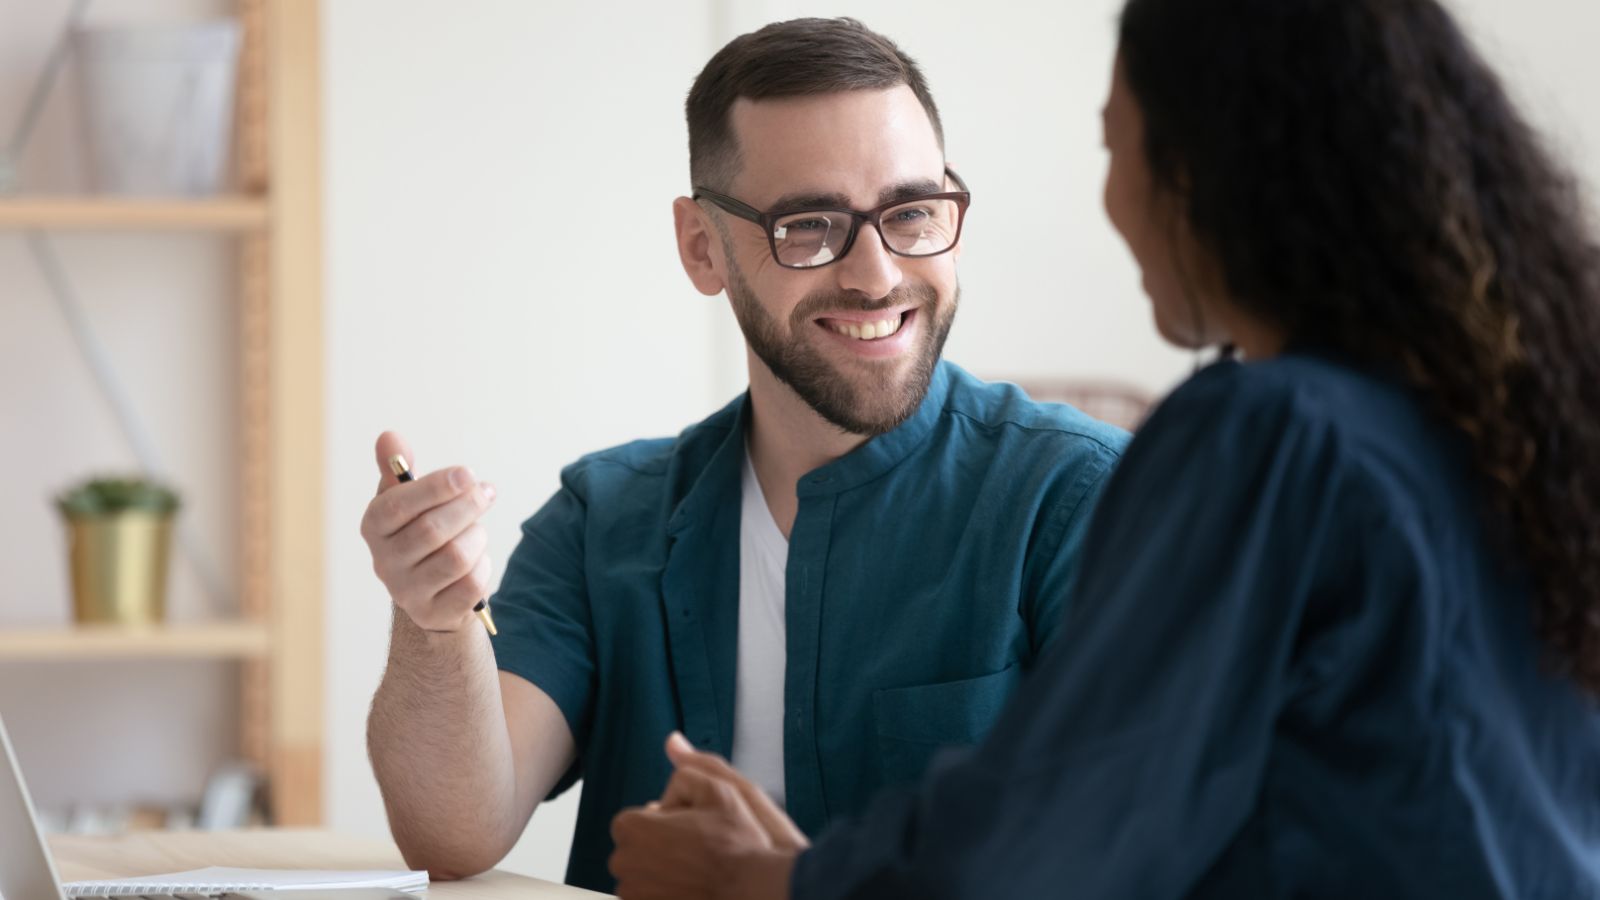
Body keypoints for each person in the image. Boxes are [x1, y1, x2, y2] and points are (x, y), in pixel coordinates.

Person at [605, 0, 1600, 896]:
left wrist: (768, 880)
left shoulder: (1268, 437)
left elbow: (1056, 839)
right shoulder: (1514, 420)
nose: (1112, 205)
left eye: (1114, 148)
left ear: (1209, 172)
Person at [359, 17, 1127, 894]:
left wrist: (783, 883)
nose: (876, 275)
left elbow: (1136, 858)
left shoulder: (1090, 498)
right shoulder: (603, 517)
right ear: (702, 248)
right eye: (810, 226)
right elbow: (454, 834)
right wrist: (432, 619)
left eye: (912, 213)